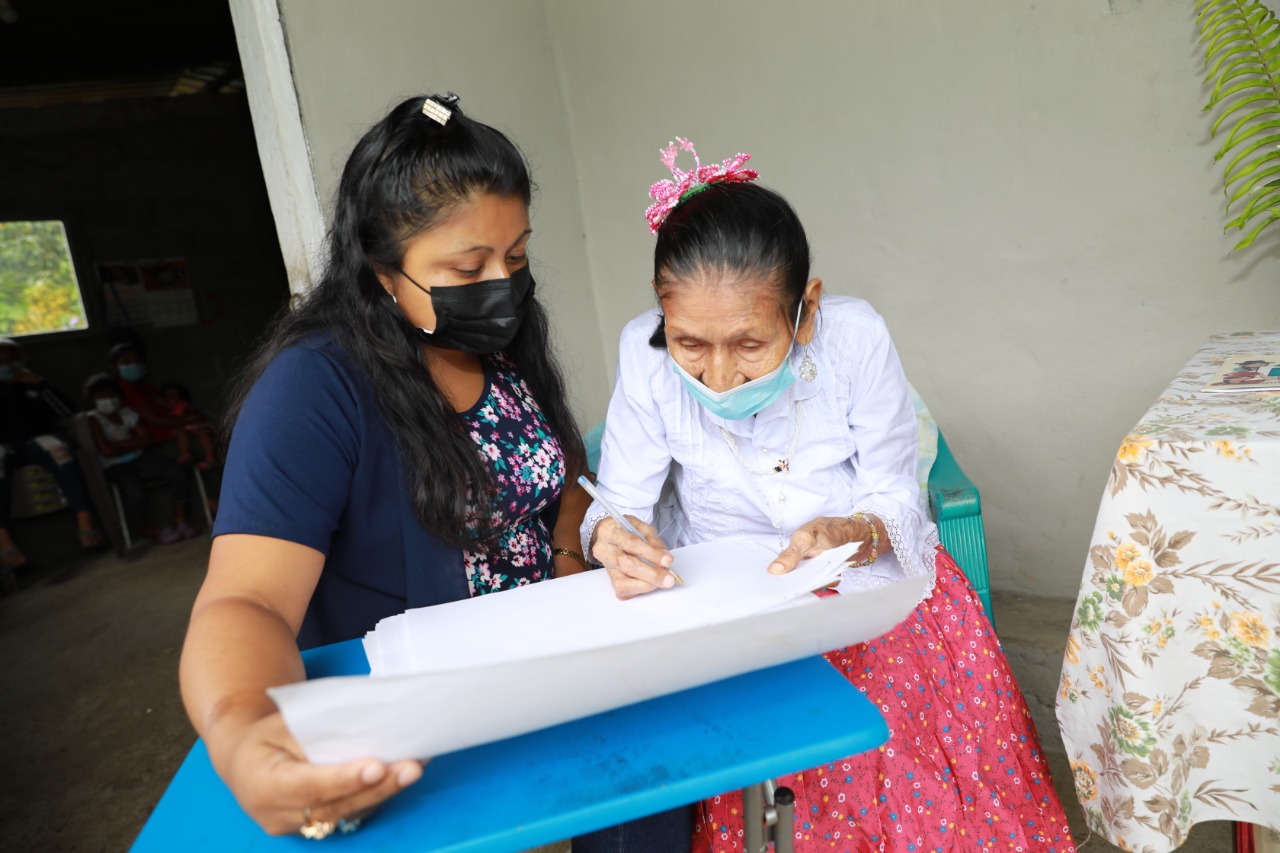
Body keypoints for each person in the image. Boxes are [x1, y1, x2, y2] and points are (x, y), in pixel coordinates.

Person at [179, 93, 678, 851]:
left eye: (516, 256)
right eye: (467, 265)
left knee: (658, 787)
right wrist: (246, 730)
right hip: (418, 716)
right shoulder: (314, 389)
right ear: (383, 272)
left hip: (550, 669)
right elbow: (245, 599)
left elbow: (562, 470)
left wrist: (575, 552)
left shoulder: (503, 347)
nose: (504, 284)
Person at [583, 140, 1078, 852]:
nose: (718, 374)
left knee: (909, 781)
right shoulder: (644, 352)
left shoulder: (853, 340)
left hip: (865, 584)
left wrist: (852, 532)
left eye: (749, 344)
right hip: (729, 602)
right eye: (690, 342)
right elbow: (620, 500)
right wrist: (611, 538)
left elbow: (895, 495)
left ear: (805, 311)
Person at [0, 337, 104, 570]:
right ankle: (4, 544)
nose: (6, 366)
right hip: (3, 446)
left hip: (38, 441)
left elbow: (67, 411)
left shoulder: (34, 385)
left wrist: (41, 385)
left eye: (10, 361)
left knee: (60, 451)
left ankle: (86, 527)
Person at [84, 373, 196, 545]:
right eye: (101, 396)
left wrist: (120, 444)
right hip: (115, 466)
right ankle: (143, 529)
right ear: (92, 399)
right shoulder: (93, 420)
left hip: (139, 457)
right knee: (134, 491)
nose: (107, 399)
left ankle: (180, 519)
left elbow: (147, 440)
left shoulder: (127, 413)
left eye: (110, 395)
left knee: (177, 473)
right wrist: (133, 443)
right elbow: (107, 451)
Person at [159, 382, 218, 470]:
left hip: (200, 426)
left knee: (201, 433)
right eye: (166, 396)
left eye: (171, 397)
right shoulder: (166, 412)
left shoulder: (181, 405)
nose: (168, 399)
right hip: (187, 430)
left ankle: (210, 458)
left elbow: (191, 416)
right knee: (181, 433)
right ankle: (185, 455)